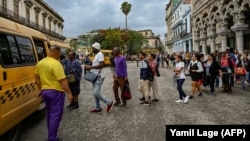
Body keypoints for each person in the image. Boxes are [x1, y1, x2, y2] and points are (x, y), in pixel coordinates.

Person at [35, 46, 73, 141]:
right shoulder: (56, 64)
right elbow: (62, 81)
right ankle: (52, 138)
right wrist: (69, 93)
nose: (59, 55)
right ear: (56, 53)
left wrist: (40, 89)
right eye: (59, 53)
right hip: (56, 93)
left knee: (50, 114)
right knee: (55, 115)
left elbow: (37, 79)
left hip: (45, 92)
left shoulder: (40, 63)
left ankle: (52, 135)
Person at [84, 42, 113, 113]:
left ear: (96, 48)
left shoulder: (100, 54)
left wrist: (90, 67)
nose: (92, 49)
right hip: (95, 76)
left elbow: (102, 65)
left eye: (93, 48)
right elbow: (97, 64)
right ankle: (98, 107)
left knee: (96, 92)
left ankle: (109, 102)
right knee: (95, 92)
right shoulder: (97, 55)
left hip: (99, 76)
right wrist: (89, 66)